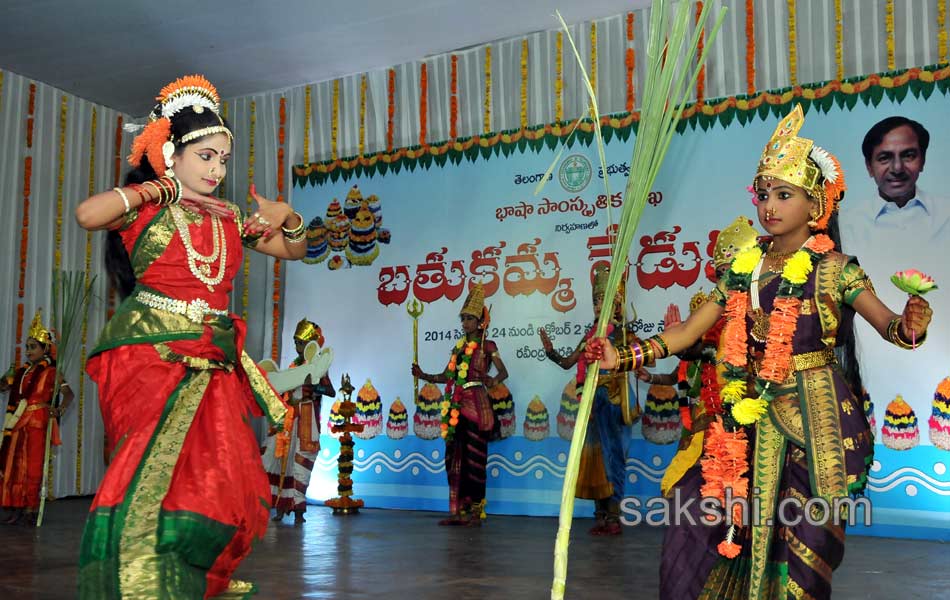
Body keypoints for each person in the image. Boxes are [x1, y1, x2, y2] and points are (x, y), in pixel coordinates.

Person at [588, 105, 933, 599]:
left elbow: (893, 329)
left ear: (815, 206)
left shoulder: (837, 270)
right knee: (702, 524)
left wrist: (912, 324)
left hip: (813, 427)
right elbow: (688, 332)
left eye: (783, 195)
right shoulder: (741, 271)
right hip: (744, 423)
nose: (769, 206)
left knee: (804, 549)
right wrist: (621, 358)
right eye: (764, 194)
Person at [74, 75, 305, 599]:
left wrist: (288, 218)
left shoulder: (228, 216)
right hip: (151, 352)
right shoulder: (148, 205)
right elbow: (89, 214)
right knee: (152, 467)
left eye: (222, 159)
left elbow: (294, 251)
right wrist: (156, 188)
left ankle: (193, 574)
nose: (217, 170)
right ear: (170, 154)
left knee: (214, 471)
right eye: (205, 156)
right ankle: (139, 578)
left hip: (214, 356)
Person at [636, 217, 759, 498]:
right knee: (687, 492)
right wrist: (678, 340)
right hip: (710, 421)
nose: (728, 281)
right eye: (721, 275)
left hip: (760, 424)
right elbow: (697, 350)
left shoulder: (771, 310)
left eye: (734, 272)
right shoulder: (714, 317)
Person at [539, 265, 637, 535]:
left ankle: (614, 517)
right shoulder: (590, 333)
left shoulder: (622, 334)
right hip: (591, 403)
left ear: (616, 304)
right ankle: (601, 515)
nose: (597, 306)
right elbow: (569, 362)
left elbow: (636, 365)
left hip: (614, 400)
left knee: (613, 456)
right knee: (594, 457)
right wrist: (550, 352)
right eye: (595, 301)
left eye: (602, 300)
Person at [411, 283, 508, 526]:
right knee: (455, 458)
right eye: (463, 319)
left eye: (469, 319)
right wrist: (424, 375)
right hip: (456, 405)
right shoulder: (458, 348)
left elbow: (503, 372)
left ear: (480, 322)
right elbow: (447, 376)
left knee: (475, 460)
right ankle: (458, 511)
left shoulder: (489, 346)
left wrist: (492, 379)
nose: (465, 323)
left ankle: (476, 511)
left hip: (477, 405)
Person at [0, 311, 74, 526]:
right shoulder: (22, 372)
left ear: (44, 350)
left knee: (32, 467)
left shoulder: (51, 372)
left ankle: (31, 509)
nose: (28, 351)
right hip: (17, 421)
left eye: (33, 347)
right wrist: (6, 379)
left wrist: (59, 409)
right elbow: (3, 386)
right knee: (15, 465)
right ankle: (17, 508)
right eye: (27, 347)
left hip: (38, 422)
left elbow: (69, 394)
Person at [261, 318, 334, 524]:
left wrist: (313, 388)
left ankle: (299, 510)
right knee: (282, 459)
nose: (297, 347)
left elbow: (330, 390)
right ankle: (281, 508)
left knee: (300, 463)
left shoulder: (318, 366)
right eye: (295, 342)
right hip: (289, 419)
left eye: (300, 343)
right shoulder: (293, 366)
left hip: (306, 420)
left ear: (310, 344)